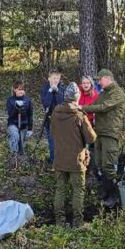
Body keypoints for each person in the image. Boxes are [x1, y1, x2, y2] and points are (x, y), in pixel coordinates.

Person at [51, 82, 97, 226]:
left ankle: (60, 222)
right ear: (76, 98)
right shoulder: (79, 115)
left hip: (59, 158)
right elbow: (91, 138)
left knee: (60, 190)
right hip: (77, 160)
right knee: (78, 190)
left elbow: (53, 133)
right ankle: (77, 223)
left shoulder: (56, 112)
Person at [82, 69, 125, 208]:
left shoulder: (117, 93)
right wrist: (81, 109)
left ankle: (115, 196)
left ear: (108, 78)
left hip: (110, 133)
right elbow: (94, 105)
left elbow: (103, 107)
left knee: (108, 165)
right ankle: (106, 191)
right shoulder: (103, 93)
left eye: (100, 79)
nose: (98, 82)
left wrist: (82, 108)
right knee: (98, 164)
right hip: (100, 133)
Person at [40, 70, 66, 163]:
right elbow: (46, 103)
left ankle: (62, 160)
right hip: (50, 119)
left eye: (58, 78)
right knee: (51, 140)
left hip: (61, 119)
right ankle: (53, 160)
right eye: (54, 78)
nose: (56, 80)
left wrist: (57, 91)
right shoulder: (45, 89)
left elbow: (63, 103)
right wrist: (50, 91)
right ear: (49, 78)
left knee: (61, 140)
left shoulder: (63, 89)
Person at [6, 80, 34, 156]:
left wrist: (30, 128)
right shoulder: (10, 100)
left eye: (22, 89)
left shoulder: (27, 100)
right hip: (13, 123)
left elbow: (30, 114)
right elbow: (10, 114)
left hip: (24, 124)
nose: (21, 91)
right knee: (15, 136)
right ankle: (14, 156)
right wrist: (17, 108)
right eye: (19, 89)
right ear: (15, 90)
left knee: (21, 144)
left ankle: (21, 159)